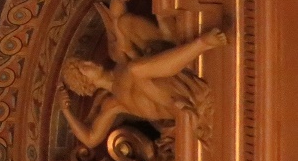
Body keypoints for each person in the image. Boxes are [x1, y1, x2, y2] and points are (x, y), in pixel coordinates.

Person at [57, 27, 227, 147]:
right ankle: (202, 44)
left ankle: (201, 45)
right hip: (175, 107)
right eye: (84, 67)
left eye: (85, 61)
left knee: (136, 67)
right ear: (85, 82)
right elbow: (91, 139)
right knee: (135, 70)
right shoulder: (113, 104)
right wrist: (67, 112)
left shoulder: (120, 63)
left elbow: (124, 34)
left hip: (180, 86)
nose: (90, 62)